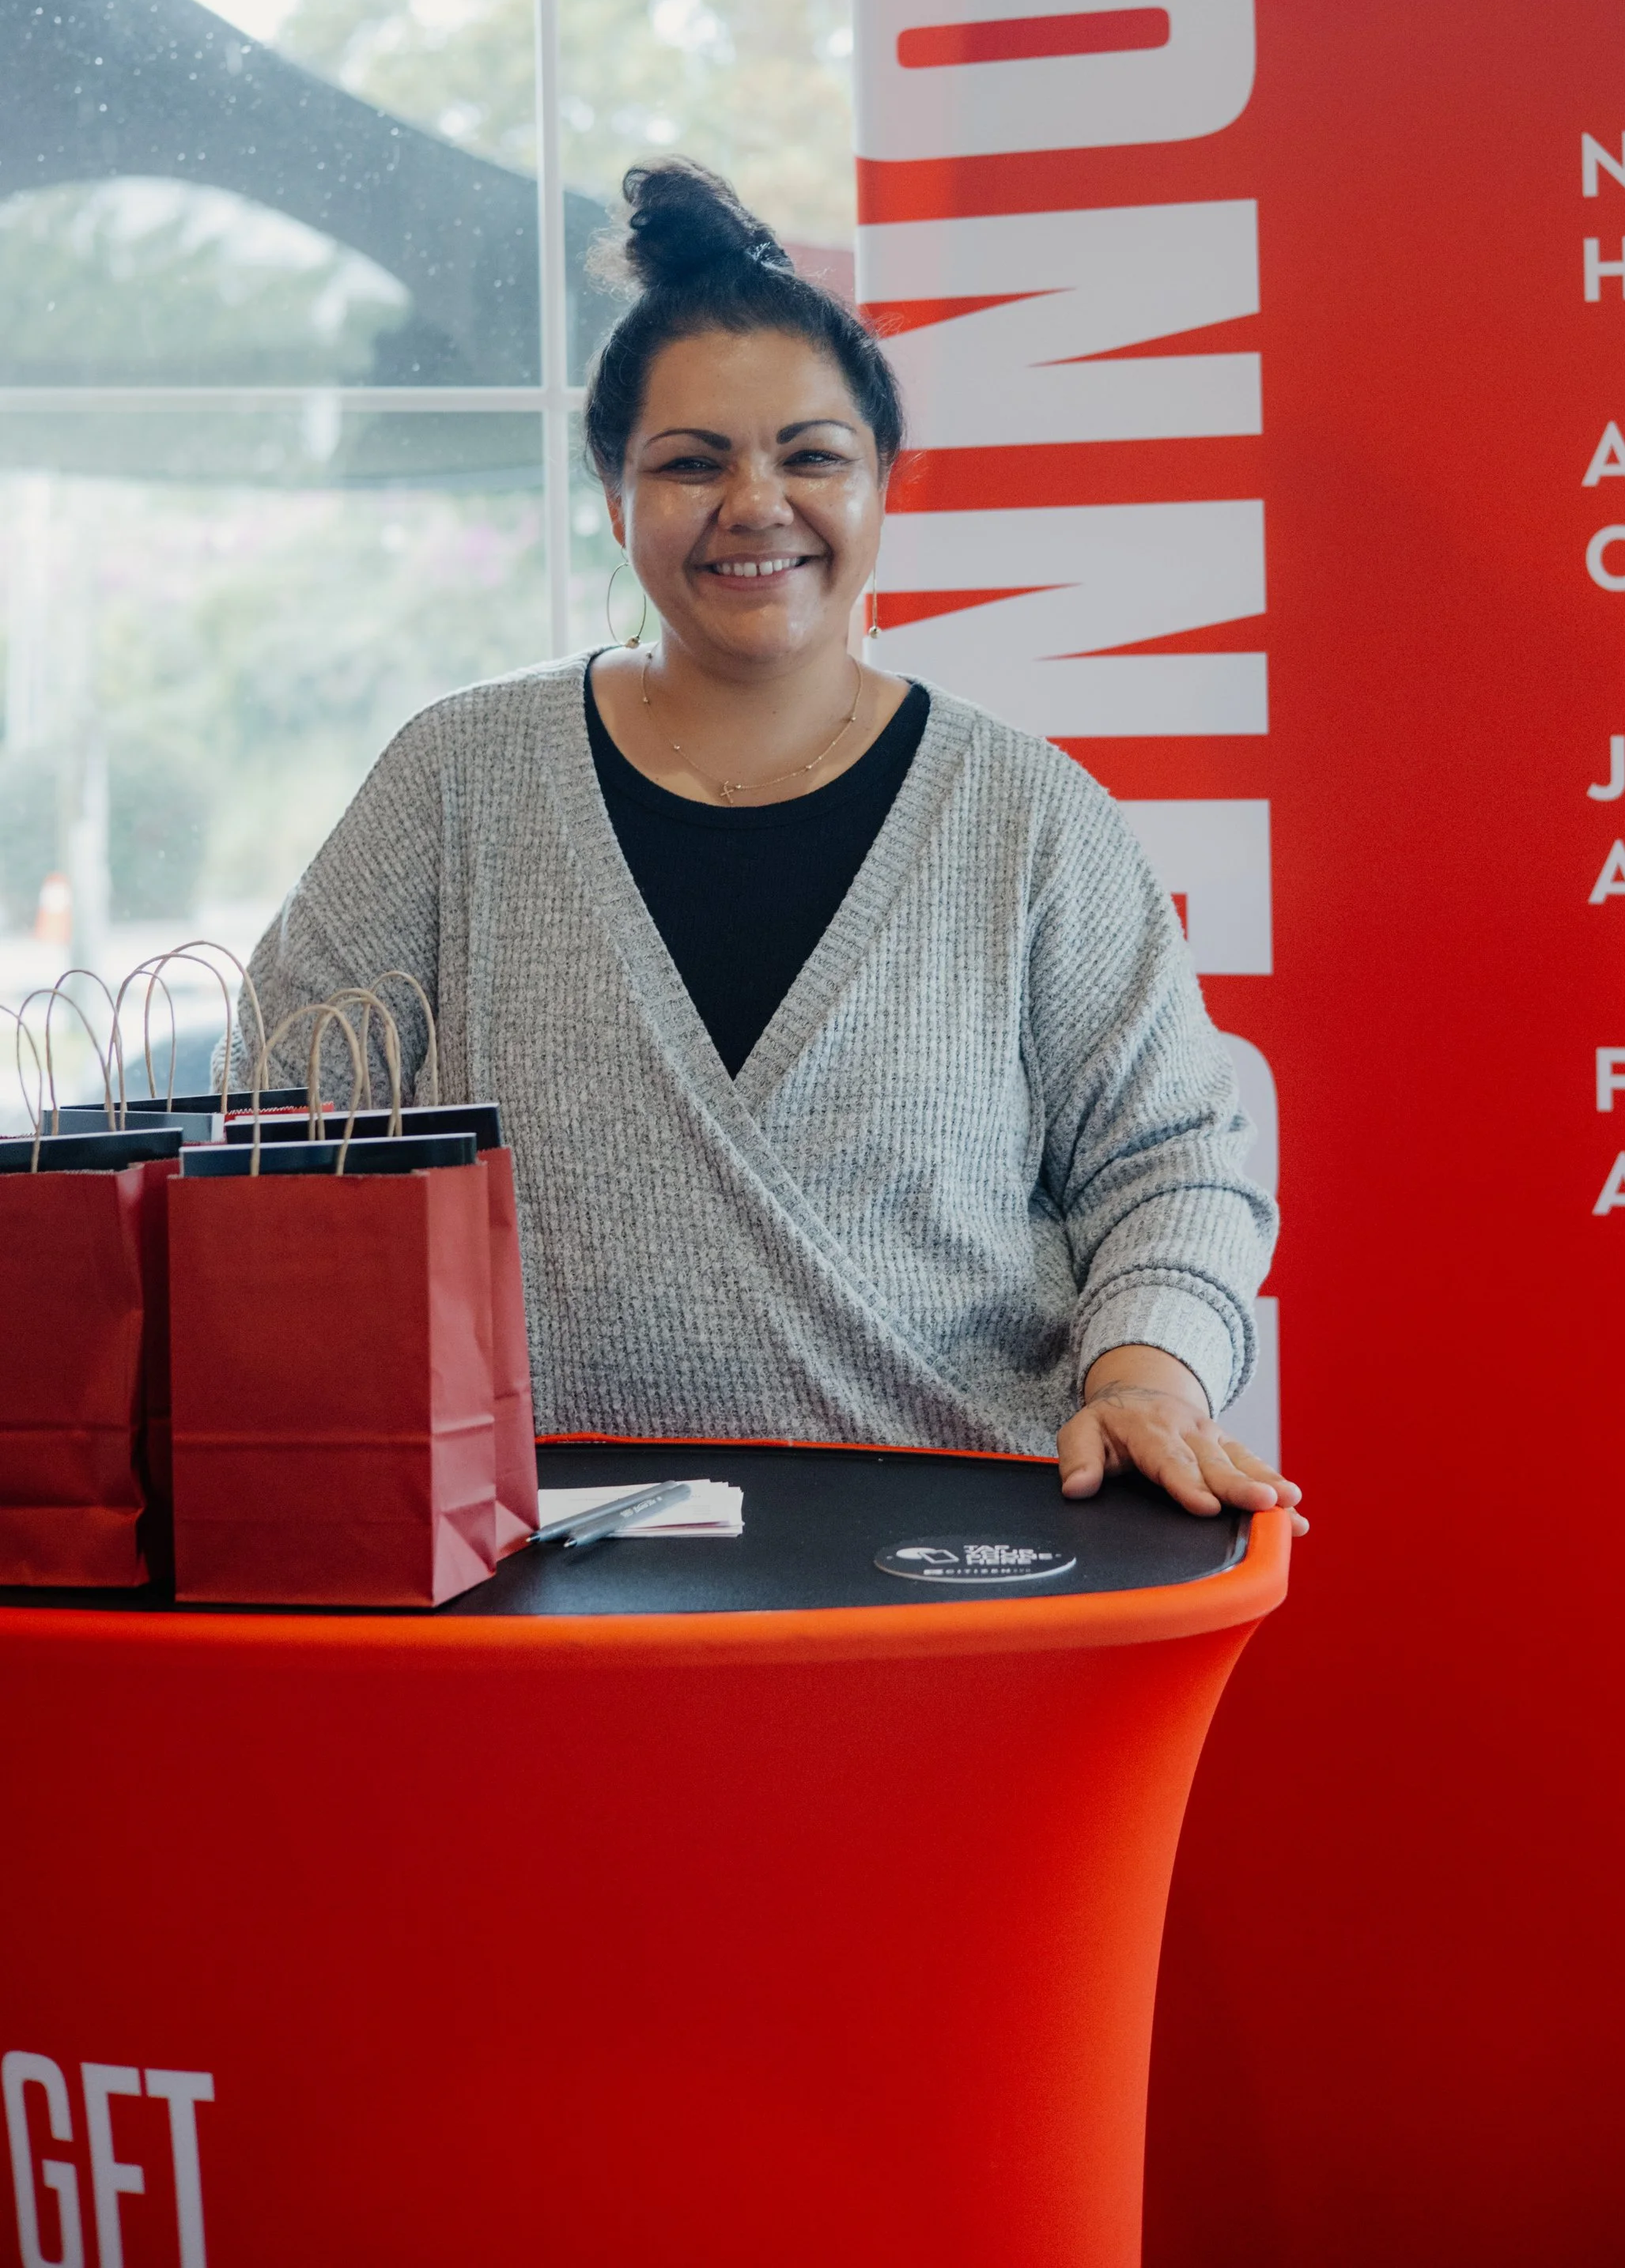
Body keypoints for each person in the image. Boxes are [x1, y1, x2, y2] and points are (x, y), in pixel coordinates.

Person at [235, 160, 1302, 1532]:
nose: (757, 504)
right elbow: (280, 1121)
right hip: (536, 1561)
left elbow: (1173, 1162)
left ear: (879, 490)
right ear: (615, 501)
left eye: (811, 455)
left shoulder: (1027, 814)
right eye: (692, 462)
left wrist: (1147, 1376)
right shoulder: (458, 777)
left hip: (961, 1556)